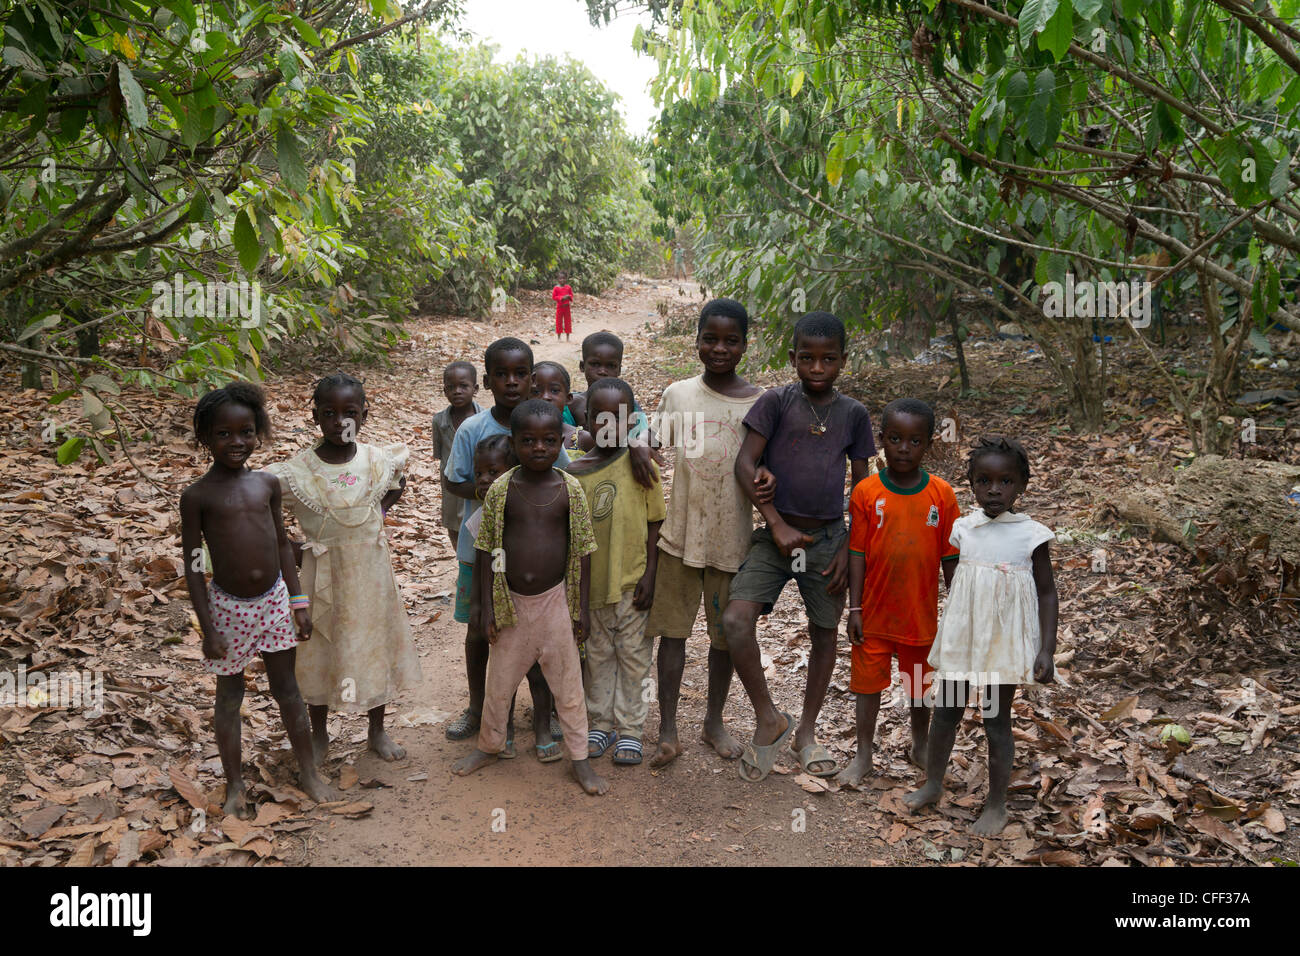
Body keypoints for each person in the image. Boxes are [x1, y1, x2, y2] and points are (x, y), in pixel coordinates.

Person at [723, 311, 876, 782]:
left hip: (829, 536)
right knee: (734, 619)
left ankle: (807, 731)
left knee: (825, 631)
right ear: (792, 358)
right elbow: (744, 463)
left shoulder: (852, 414)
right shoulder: (775, 402)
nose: (816, 368)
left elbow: (863, 488)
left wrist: (852, 540)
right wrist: (774, 523)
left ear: (843, 362)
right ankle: (769, 718)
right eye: (806, 358)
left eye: (828, 360)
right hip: (775, 535)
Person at [180, 382, 331, 816]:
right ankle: (234, 786)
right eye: (224, 434)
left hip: (274, 602)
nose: (236, 442)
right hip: (227, 609)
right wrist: (208, 628)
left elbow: (284, 545)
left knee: (288, 689)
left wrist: (298, 602)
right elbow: (193, 565)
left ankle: (309, 773)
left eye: (245, 432)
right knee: (229, 697)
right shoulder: (197, 497)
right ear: (206, 437)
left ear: (258, 432)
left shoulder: (266, 484)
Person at [451, 400, 609, 795]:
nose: (539, 448)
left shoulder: (569, 489)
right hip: (511, 604)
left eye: (549, 440)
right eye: (529, 441)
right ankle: (488, 745)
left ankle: (579, 759)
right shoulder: (503, 489)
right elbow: (486, 549)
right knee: (499, 683)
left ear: (562, 440)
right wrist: (485, 605)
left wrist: (581, 610)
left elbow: (584, 549)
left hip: (556, 603)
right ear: (515, 443)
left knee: (569, 689)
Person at [904, 436, 1059, 835]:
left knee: (996, 720)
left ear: (1022, 485)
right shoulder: (963, 528)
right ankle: (933, 784)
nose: (994, 489)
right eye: (984, 480)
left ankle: (996, 805)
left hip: (1001, 647)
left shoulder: (1031, 534)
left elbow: (1046, 592)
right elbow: (960, 583)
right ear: (971, 483)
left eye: (1006, 481)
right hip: (963, 641)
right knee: (947, 713)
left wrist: (1046, 648)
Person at [267, 373, 421, 764]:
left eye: (350, 413)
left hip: (370, 574)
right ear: (315, 416)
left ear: (364, 414)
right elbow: (261, 504)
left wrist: (376, 514)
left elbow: (395, 482)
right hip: (323, 577)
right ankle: (320, 735)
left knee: (374, 645)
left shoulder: (376, 460)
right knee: (321, 649)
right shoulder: (295, 473)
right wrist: (292, 544)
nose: (340, 422)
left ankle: (377, 730)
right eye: (330, 414)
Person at [644, 298, 765, 768]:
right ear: (696, 341)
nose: (719, 349)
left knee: (722, 641)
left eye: (730, 340)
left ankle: (713, 721)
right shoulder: (679, 394)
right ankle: (668, 728)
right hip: (678, 537)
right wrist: (638, 446)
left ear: (744, 345)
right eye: (710, 339)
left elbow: (763, 466)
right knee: (672, 635)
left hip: (732, 541)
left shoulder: (760, 403)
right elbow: (650, 445)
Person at [441, 338, 571, 748]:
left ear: (532, 379)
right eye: (502, 374)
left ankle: (543, 717)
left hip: (534, 559)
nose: (511, 382)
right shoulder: (472, 428)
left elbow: (564, 479)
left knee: (536, 635)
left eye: (520, 374)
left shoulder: (544, 427)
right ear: (487, 380)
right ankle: (479, 710)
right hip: (478, 551)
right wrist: (493, 493)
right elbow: (451, 478)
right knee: (481, 629)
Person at [835, 398, 961, 788]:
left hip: (919, 615)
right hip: (873, 612)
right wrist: (854, 607)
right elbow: (856, 552)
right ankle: (863, 754)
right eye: (894, 439)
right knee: (867, 686)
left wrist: (958, 610)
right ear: (882, 440)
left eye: (914, 441)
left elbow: (950, 558)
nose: (903, 448)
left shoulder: (942, 495)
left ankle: (920, 746)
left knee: (918, 686)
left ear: (928, 445)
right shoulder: (866, 493)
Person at [566, 378, 666, 766]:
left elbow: (656, 522)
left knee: (635, 660)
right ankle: (601, 722)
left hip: (631, 583)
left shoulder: (641, 466)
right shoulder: (574, 473)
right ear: (586, 420)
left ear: (632, 422)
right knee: (598, 656)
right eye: (599, 418)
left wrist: (650, 575)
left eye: (619, 419)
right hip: (593, 588)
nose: (609, 427)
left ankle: (631, 730)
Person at [432, 361, 482, 552]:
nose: (457, 391)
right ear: (445, 391)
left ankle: (477, 561)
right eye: (451, 387)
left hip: (476, 481)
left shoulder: (484, 418)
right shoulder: (439, 421)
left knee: (478, 521)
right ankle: (460, 558)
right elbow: (440, 454)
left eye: (463, 386)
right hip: (451, 482)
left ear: (475, 388)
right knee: (453, 523)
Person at [531, 360, 580, 452]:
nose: (545, 397)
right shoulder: (520, 438)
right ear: (526, 398)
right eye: (536, 392)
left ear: (568, 398)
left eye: (554, 391)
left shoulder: (582, 439)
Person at [552, 271, 574, 342]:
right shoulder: (556, 288)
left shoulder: (568, 287)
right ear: (558, 279)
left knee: (568, 321)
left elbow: (571, 295)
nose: (562, 280)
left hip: (567, 307)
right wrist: (562, 298)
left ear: (566, 279)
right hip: (559, 307)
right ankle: (559, 337)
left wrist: (569, 297)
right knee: (559, 322)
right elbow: (554, 297)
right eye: (560, 278)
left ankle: (568, 337)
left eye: (564, 278)